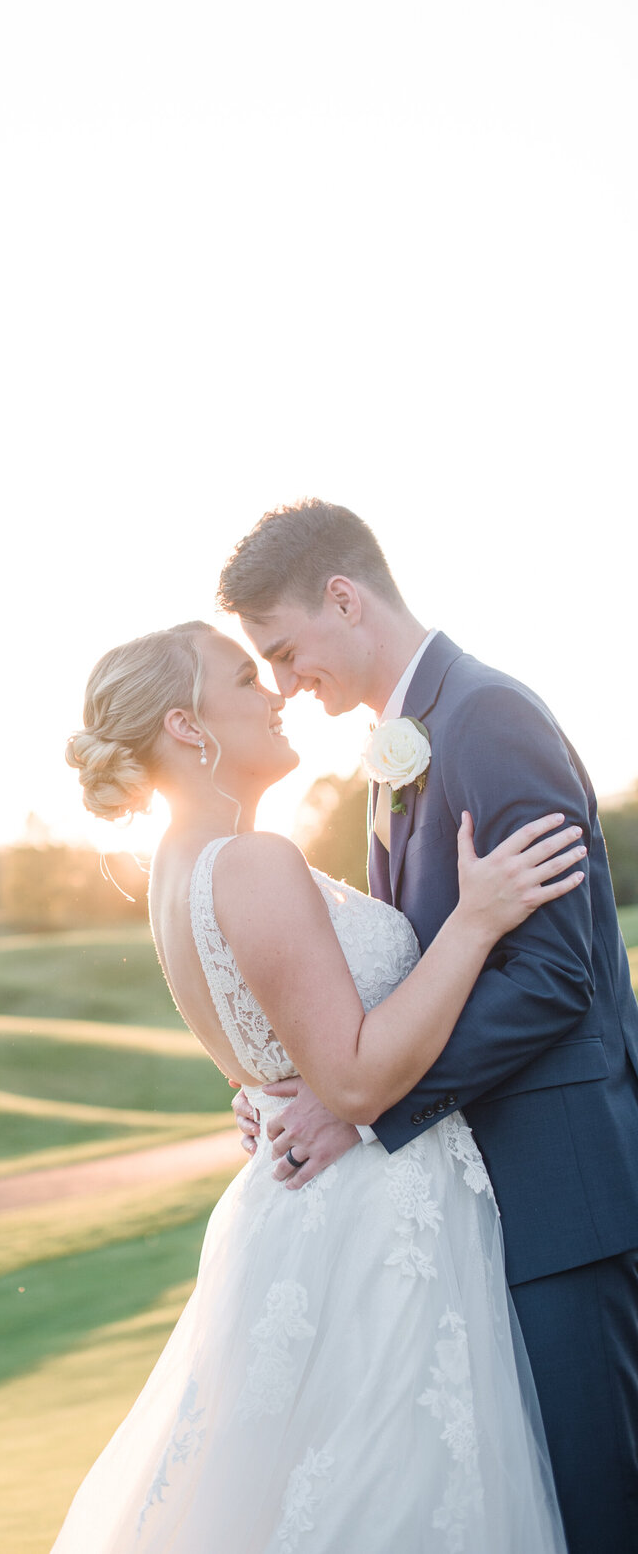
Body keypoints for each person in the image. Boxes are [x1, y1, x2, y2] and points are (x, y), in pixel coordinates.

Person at [54, 618, 577, 1553]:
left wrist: (263, 1094)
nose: (274, 693)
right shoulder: (250, 863)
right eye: (246, 678)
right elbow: (357, 1077)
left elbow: (269, 1067)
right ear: (188, 725)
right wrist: (478, 918)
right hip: (371, 1223)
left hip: (319, 1209)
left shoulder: (177, 868)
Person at [219, 499, 638, 1554]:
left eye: (282, 650)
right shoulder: (399, 750)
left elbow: (554, 974)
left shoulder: (486, 716)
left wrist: (361, 1101)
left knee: (604, 1508)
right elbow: (418, 974)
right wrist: (302, 1077)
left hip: (564, 1195)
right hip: (484, 1204)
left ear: (345, 599)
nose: (281, 686)